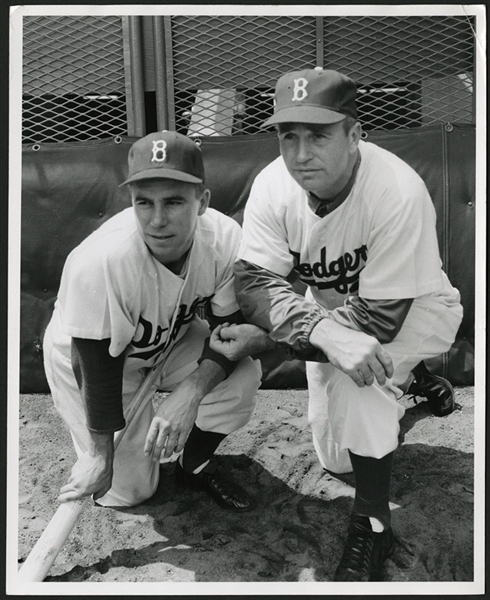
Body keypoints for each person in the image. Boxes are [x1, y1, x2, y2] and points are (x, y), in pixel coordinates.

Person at [210, 67, 463, 580]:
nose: (301, 154)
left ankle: (372, 524)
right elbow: (255, 282)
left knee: (362, 373)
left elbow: (379, 322)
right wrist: (318, 331)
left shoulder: (396, 189)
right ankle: (411, 382)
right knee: (336, 459)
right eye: (289, 136)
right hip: (328, 317)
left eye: (319, 135)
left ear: (354, 134)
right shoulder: (273, 185)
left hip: (419, 309)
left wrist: (272, 337)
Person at [43, 130, 262, 512]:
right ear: (131, 201)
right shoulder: (102, 260)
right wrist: (100, 454)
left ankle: (194, 464)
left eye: (174, 201)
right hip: (88, 359)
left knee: (241, 375)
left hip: (169, 341)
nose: (158, 220)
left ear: (202, 201)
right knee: (130, 492)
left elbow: (230, 334)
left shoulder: (225, 240)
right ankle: (109, 450)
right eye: (144, 202)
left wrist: (190, 392)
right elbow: (93, 359)